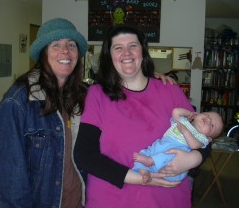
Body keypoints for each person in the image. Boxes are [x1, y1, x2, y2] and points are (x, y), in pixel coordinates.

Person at [74, 24, 211, 208]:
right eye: (118, 48)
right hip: (112, 199)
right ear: (109, 56)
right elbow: (85, 155)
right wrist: (141, 178)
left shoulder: (170, 90)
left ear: (143, 51)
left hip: (167, 199)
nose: (127, 53)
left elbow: (204, 137)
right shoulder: (97, 95)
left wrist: (194, 159)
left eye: (133, 46)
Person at [0, 18, 88, 208]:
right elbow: (10, 180)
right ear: (43, 53)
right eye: (56, 45)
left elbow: (119, 95)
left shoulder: (83, 95)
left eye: (71, 44)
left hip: (79, 201)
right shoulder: (17, 103)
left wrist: (156, 81)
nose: (65, 51)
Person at [132, 107, 223, 183]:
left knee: (169, 155)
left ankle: (151, 161)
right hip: (162, 145)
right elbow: (176, 111)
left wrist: (185, 131)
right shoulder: (184, 121)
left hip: (175, 156)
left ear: (209, 138)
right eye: (207, 115)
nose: (208, 120)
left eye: (212, 126)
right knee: (144, 152)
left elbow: (194, 146)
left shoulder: (202, 138)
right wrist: (189, 113)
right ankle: (145, 173)